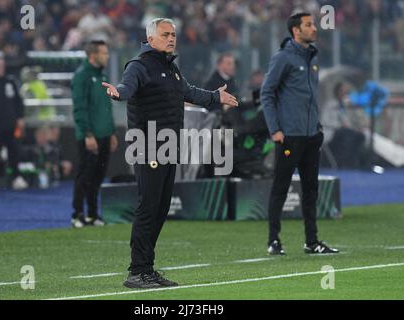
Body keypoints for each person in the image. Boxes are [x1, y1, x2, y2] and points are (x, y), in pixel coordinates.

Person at [102, 18, 238, 288]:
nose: (172, 38)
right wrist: (118, 94)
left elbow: (188, 92)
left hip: (168, 145)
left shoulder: (170, 68)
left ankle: (147, 269)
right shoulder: (139, 66)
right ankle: (137, 272)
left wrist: (215, 97)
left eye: (173, 34)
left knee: (161, 207)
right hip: (148, 144)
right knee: (149, 206)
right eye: (166, 34)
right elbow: (127, 87)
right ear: (150, 39)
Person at [260, 13, 339, 255]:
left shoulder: (312, 59)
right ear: (296, 30)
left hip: (311, 136)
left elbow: (311, 98)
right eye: (308, 25)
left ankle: (311, 241)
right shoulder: (283, 58)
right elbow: (267, 93)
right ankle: (273, 240)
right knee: (280, 188)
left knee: (311, 190)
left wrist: (317, 127)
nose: (314, 28)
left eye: (313, 24)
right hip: (288, 137)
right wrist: (275, 130)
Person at [71, 40, 118, 228]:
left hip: (105, 134)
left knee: (98, 176)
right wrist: (87, 134)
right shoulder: (81, 77)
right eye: (104, 53)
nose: (107, 56)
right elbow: (80, 108)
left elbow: (107, 107)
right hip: (90, 136)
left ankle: (92, 214)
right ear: (93, 55)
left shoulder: (102, 76)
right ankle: (77, 214)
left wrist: (112, 131)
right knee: (84, 175)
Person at [0, 56, 28, 191]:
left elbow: (18, 101)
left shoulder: (10, 81)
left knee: (14, 151)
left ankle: (17, 177)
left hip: (11, 123)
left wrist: (20, 118)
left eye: (1, 65)